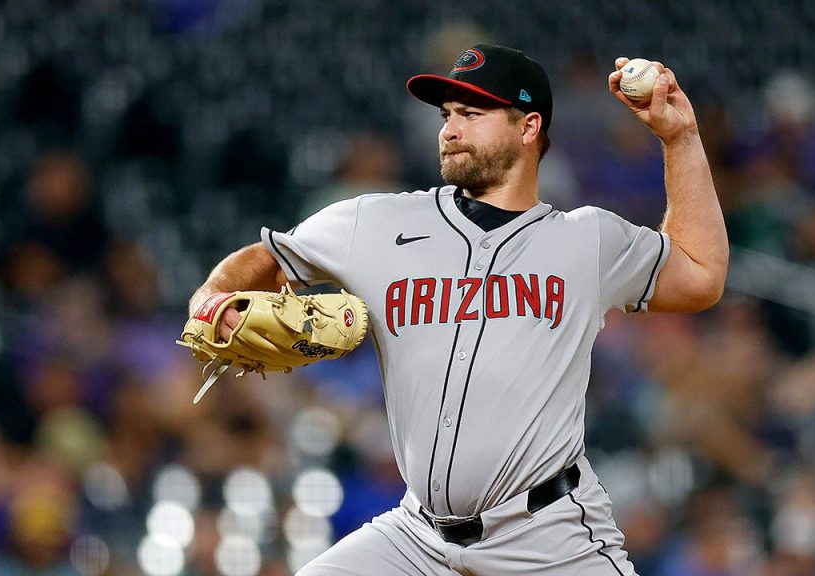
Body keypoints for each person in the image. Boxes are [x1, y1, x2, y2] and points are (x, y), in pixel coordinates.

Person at [188, 44, 728, 575]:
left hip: (550, 541)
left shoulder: (587, 241)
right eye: (447, 114)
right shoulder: (375, 222)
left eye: (471, 114)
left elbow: (701, 275)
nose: (449, 129)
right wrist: (212, 300)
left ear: (528, 127)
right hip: (417, 539)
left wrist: (679, 138)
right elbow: (265, 258)